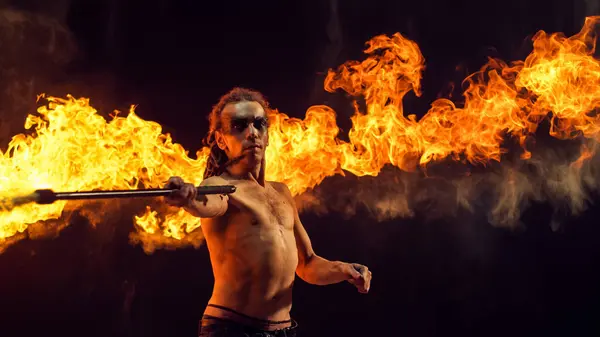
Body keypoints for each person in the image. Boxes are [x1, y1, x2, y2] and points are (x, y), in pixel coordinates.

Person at [164, 87, 372, 337]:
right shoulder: (220, 187)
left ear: (268, 134)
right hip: (233, 329)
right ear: (221, 140)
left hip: (283, 331)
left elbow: (307, 264)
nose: (252, 134)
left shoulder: (282, 193)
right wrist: (187, 199)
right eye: (239, 126)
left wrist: (343, 269)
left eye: (259, 124)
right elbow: (207, 204)